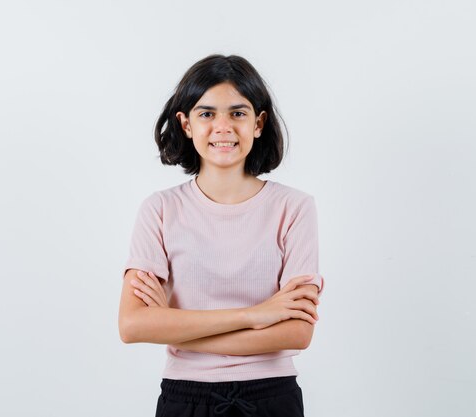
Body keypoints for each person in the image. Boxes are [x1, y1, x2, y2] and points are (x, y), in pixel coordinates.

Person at [118, 54, 325, 417]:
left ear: (259, 123)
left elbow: (297, 333)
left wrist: (174, 325)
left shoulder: (294, 208)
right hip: (186, 398)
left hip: (271, 397)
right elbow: (133, 324)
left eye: (238, 113)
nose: (223, 126)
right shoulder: (160, 210)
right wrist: (257, 314)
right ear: (185, 124)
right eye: (207, 113)